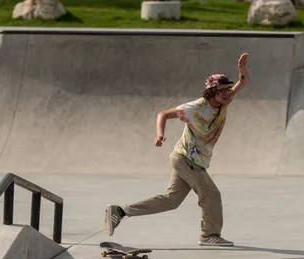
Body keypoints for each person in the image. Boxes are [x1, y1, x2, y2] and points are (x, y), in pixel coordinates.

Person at [105, 53, 250, 246]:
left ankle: (120, 211)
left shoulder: (226, 100)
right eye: (222, 90)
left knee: (171, 200)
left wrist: (242, 70)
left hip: (189, 159)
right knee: (211, 195)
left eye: (227, 89)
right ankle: (209, 235)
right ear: (211, 92)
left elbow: (243, 82)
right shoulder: (195, 108)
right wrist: (159, 134)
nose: (227, 93)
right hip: (187, 158)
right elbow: (163, 114)